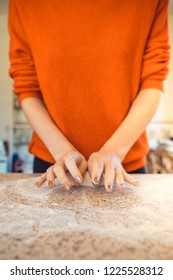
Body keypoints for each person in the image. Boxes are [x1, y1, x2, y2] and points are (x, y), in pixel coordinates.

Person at [8, 0, 170, 192]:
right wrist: (63, 152)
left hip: (124, 165)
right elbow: (27, 87)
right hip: (54, 165)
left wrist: (114, 151)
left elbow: (152, 81)